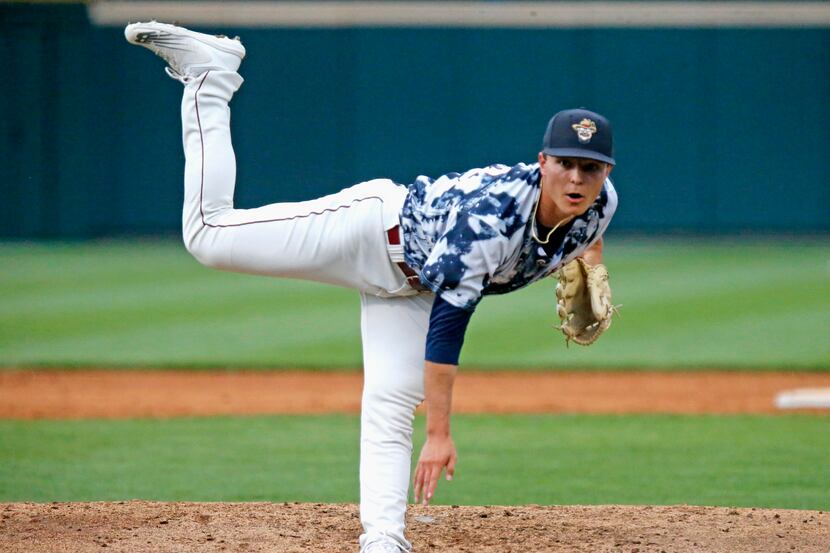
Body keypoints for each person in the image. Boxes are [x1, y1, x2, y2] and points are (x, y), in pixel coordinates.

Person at [125, 21, 618, 553]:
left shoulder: (603, 204)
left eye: (589, 169)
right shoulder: (489, 223)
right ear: (542, 162)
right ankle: (211, 76)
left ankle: (383, 540)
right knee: (208, 236)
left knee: (389, 400)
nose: (576, 179)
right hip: (370, 232)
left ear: (605, 172)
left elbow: (586, 231)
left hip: (413, 286)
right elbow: (447, 337)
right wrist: (439, 435)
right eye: (564, 164)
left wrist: (588, 261)